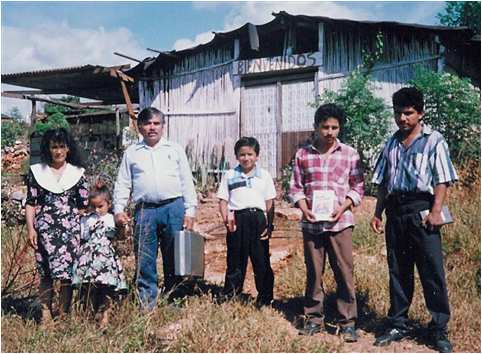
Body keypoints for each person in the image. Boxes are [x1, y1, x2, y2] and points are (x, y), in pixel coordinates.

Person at [371, 87, 457, 353]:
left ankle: (438, 328)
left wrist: (435, 210)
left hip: (423, 210)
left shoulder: (434, 141)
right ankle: (398, 323)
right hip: (396, 211)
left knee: (431, 270)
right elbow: (384, 183)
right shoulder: (390, 143)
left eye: (408, 113)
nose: (402, 119)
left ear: (420, 113)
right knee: (398, 269)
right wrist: (377, 212)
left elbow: (442, 179)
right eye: (398, 114)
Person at [289, 104, 364, 342]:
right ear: (316, 127)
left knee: (344, 271)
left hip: (340, 222)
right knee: (314, 272)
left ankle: (348, 322)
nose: (330, 132)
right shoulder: (303, 154)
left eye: (334, 127)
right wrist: (304, 208)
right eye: (325, 127)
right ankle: (313, 319)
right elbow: (295, 187)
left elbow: (358, 186)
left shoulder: (350, 154)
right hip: (312, 224)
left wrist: (344, 206)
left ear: (340, 128)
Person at [113, 107, 197, 311]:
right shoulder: (132, 153)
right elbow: (123, 182)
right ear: (139, 127)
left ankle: (175, 300)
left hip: (173, 208)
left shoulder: (174, 149)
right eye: (147, 123)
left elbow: (187, 180)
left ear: (163, 126)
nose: (152, 127)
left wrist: (190, 211)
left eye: (156, 123)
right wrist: (118, 208)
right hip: (145, 211)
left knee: (175, 256)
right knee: (145, 257)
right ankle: (147, 303)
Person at [25, 128, 89, 324]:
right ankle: (45, 316)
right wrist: (31, 229)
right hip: (44, 231)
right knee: (46, 274)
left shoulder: (77, 174)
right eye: (54, 147)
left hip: (70, 231)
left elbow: (83, 206)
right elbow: (30, 203)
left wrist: (77, 227)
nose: (58, 151)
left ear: (68, 149)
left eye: (62, 147)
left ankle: (62, 315)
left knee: (67, 275)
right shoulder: (37, 172)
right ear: (48, 148)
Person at [216, 137, 276, 307]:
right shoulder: (230, 175)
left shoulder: (264, 175)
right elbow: (222, 201)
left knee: (261, 260)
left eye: (250, 154)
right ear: (236, 156)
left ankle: (265, 298)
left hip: (257, 219)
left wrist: (269, 225)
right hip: (237, 219)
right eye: (242, 154)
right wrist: (226, 219)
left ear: (257, 156)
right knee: (235, 260)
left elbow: (270, 202)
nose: (246, 158)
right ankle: (231, 295)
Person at [72, 182, 128, 328]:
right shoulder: (87, 219)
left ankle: (105, 317)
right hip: (89, 259)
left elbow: (120, 237)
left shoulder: (111, 219)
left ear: (109, 204)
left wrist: (122, 226)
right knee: (89, 288)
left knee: (107, 288)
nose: (97, 210)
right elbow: (82, 237)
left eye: (100, 206)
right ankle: (87, 316)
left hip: (106, 259)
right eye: (93, 206)